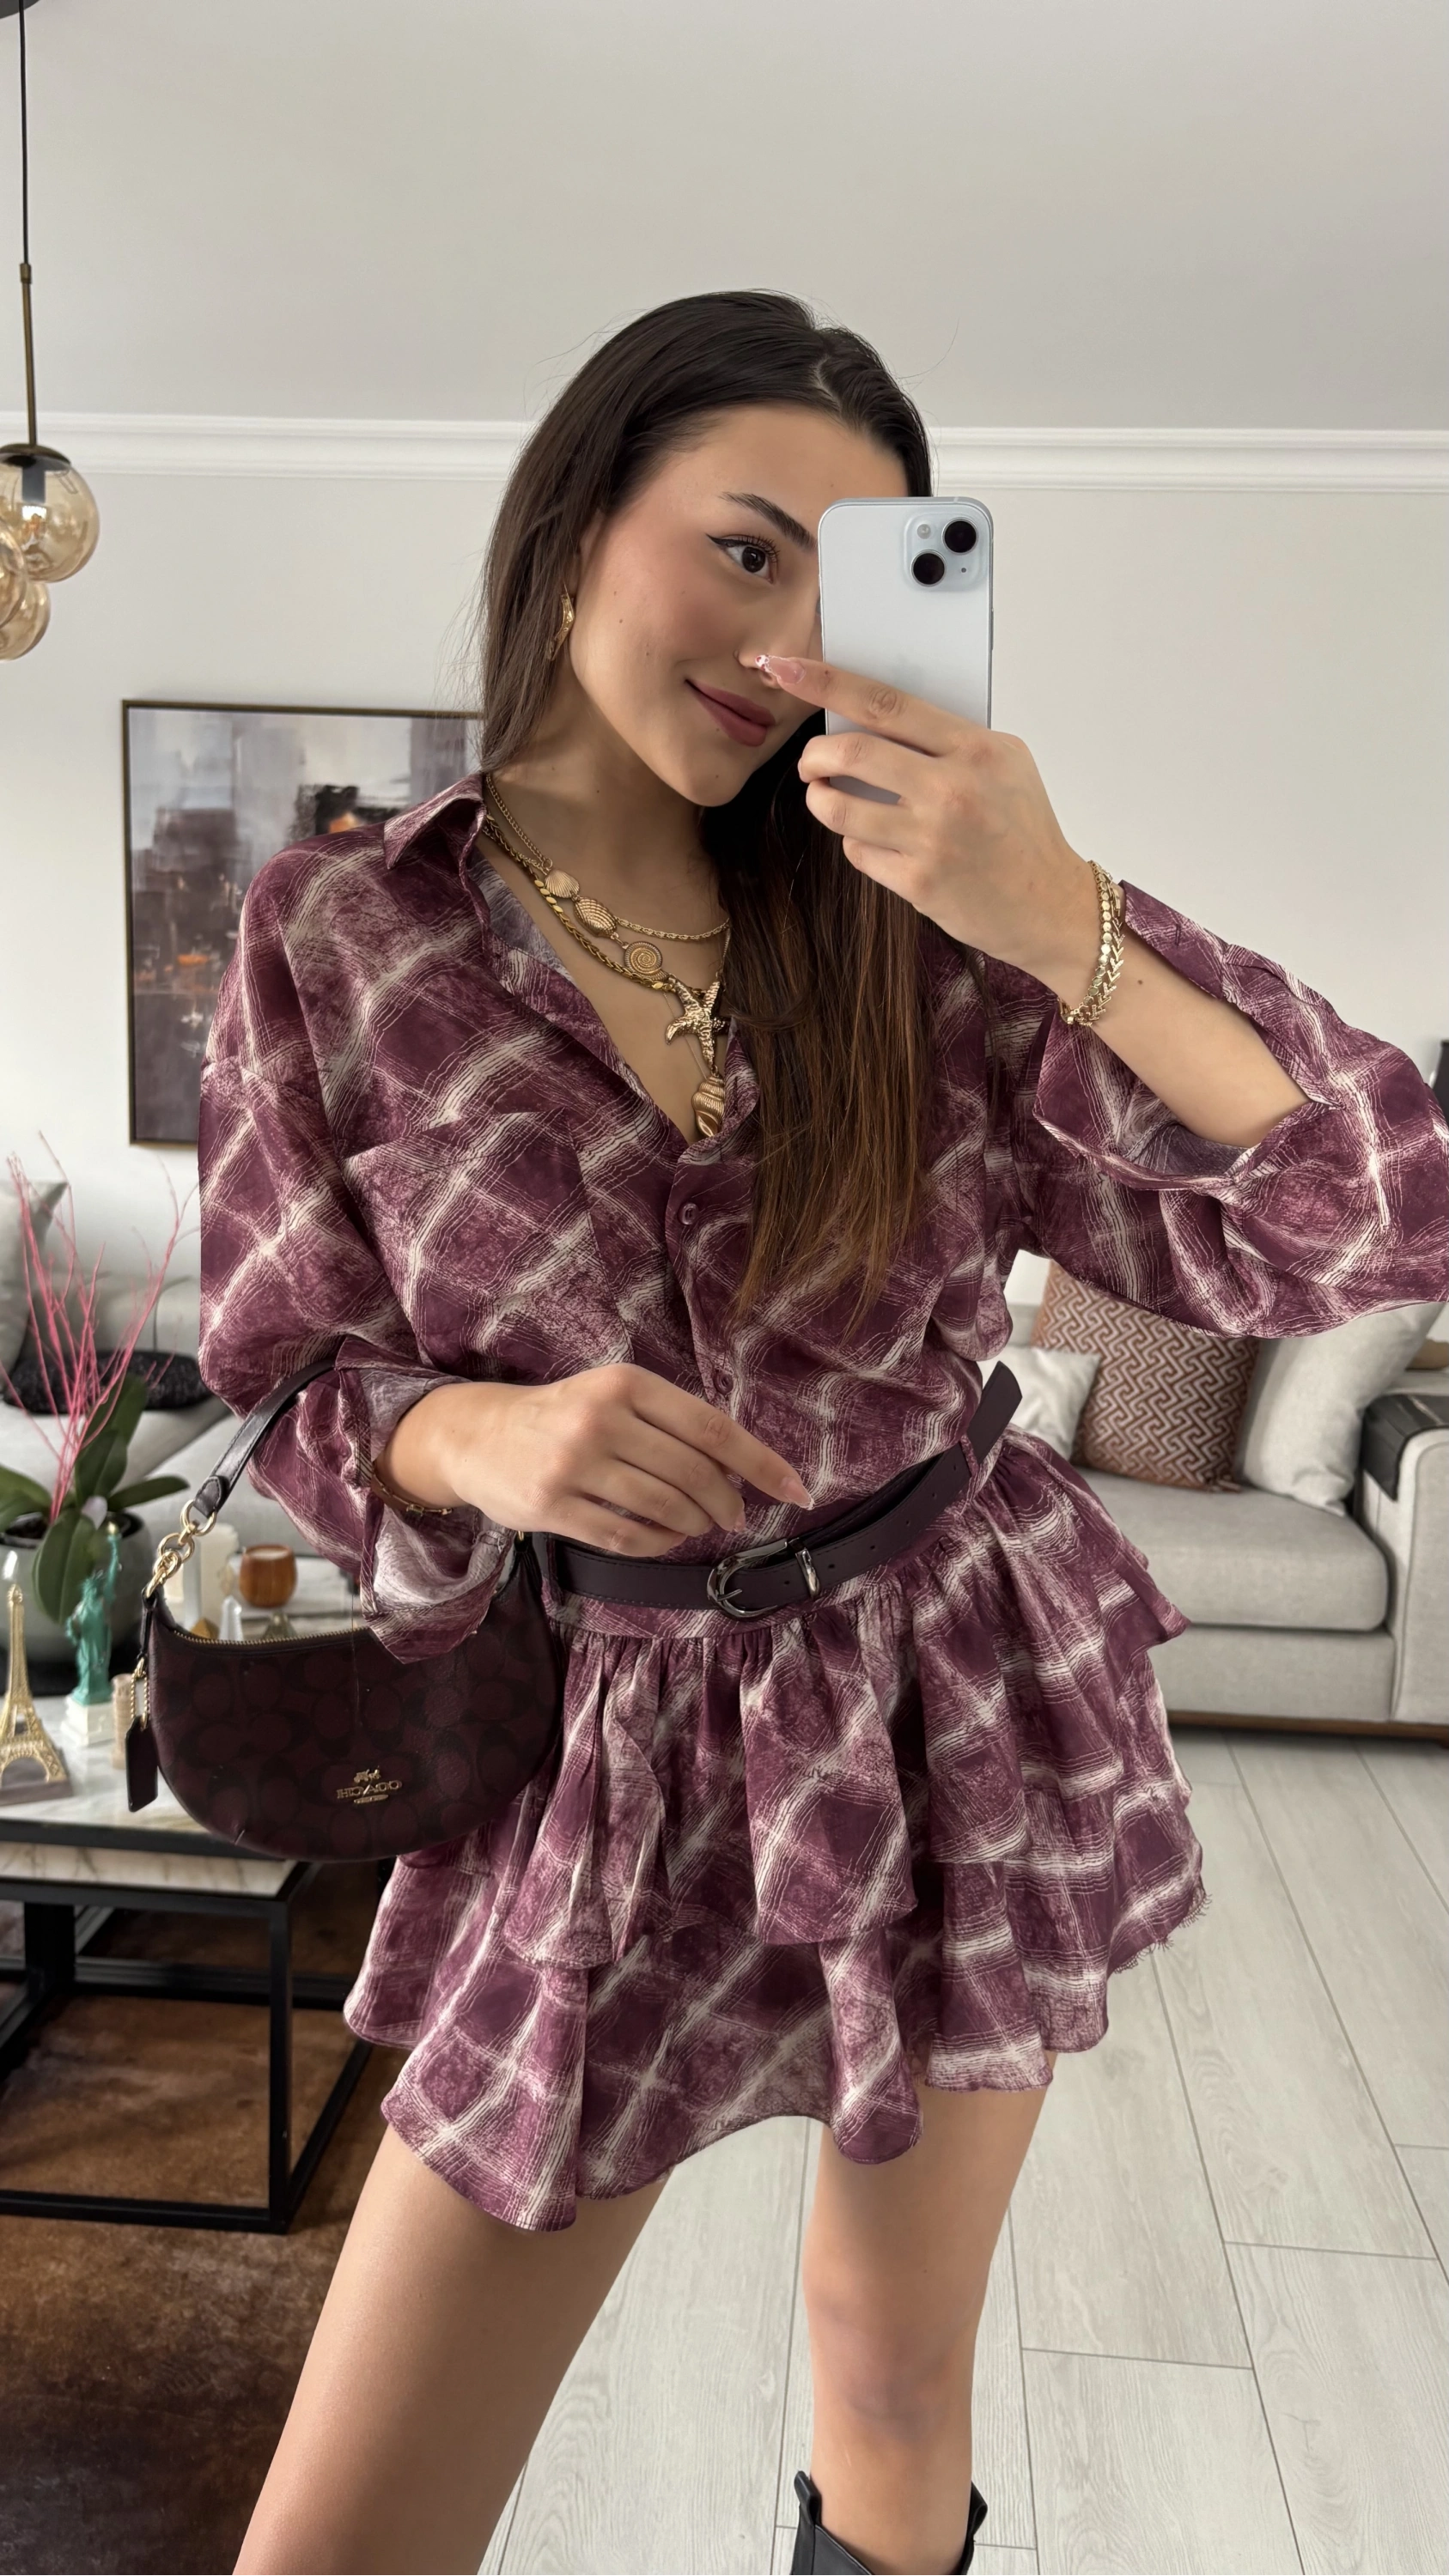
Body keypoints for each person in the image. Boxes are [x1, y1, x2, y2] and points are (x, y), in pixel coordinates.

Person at [204, 293, 1447, 2576]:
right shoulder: (342, 936)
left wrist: (1058, 915)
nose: (784, 641)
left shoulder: (930, 928)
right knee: (346, 2531)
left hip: (945, 1688)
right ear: (579, 518)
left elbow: (1370, 1212)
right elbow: (285, 1373)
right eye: (745, 546)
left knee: (889, 2378)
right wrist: (472, 1441)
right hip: (597, 1749)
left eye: (851, 583)